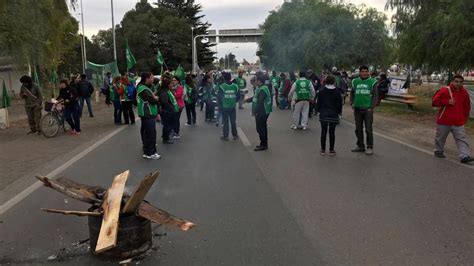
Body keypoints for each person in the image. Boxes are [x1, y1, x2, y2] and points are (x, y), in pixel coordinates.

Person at [432, 75, 473, 164]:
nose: (458, 83)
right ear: (452, 82)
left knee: (461, 139)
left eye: (460, 82)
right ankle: (439, 151)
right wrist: (447, 102)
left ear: (462, 83)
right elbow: (434, 101)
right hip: (444, 121)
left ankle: (464, 156)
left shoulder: (464, 92)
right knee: (441, 138)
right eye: (456, 81)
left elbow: (467, 106)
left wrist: (465, 118)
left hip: (458, 121)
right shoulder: (445, 90)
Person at [350, 65, 378, 155]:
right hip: (357, 109)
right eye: (363, 71)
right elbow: (352, 93)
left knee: (368, 129)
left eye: (366, 71)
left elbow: (375, 96)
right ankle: (360, 146)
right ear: (360, 72)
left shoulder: (373, 82)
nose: (364, 73)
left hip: (367, 110)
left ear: (368, 72)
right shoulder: (355, 81)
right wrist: (352, 103)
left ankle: (369, 147)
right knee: (358, 129)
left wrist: (371, 107)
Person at [315, 75, 342, 156]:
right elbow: (339, 104)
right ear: (334, 82)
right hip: (333, 114)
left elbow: (318, 103)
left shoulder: (321, 91)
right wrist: (338, 112)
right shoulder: (337, 91)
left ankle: (323, 150)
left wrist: (318, 111)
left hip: (323, 114)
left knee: (323, 132)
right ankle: (331, 150)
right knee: (332, 132)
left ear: (325, 81)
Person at [245, 71, 272, 151]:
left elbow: (260, 102)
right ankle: (263, 143)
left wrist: (254, 111)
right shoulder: (260, 88)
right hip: (261, 111)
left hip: (262, 111)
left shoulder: (263, 89)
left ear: (259, 81)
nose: (255, 81)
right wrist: (247, 100)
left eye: (256, 80)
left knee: (261, 128)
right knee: (261, 128)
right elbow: (255, 97)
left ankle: (264, 145)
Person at [136, 72, 161, 160]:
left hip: (146, 114)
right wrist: (156, 98)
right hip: (148, 114)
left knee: (146, 133)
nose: (153, 79)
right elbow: (152, 100)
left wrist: (154, 97)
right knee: (151, 133)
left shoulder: (143, 87)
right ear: (147, 78)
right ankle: (151, 153)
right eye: (151, 77)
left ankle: (147, 151)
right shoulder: (143, 89)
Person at [218, 72, 240, 141]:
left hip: (224, 107)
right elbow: (238, 96)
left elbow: (219, 97)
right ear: (230, 78)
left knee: (225, 122)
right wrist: (234, 101)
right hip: (232, 106)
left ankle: (226, 136)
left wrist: (220, 105)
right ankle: (235, 135)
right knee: (233, 122)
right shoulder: (235, 86)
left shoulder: (222, 86)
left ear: (224, 78)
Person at [158, 74, 179, 144]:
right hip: (167, 111)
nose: (171, 85)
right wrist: (172, 108)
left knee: (168, 125)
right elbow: (165, 102)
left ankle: (165, 136)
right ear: (167, 84)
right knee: (167, 125)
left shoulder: (167, 90)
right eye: (170, 84)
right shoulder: (164, 92)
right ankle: (165, 138)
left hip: (169, 111)